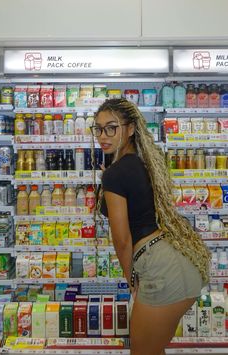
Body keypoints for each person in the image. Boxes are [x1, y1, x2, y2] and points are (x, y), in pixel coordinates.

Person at [90, 98, 210, 355]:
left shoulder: (117, 173)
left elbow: (122, 240)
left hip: (161, 272)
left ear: (130, 128)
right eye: (98, 128)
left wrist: (131, 281)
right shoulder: (139, 163)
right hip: (175, 262)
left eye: (112, 127)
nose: (103, 135)